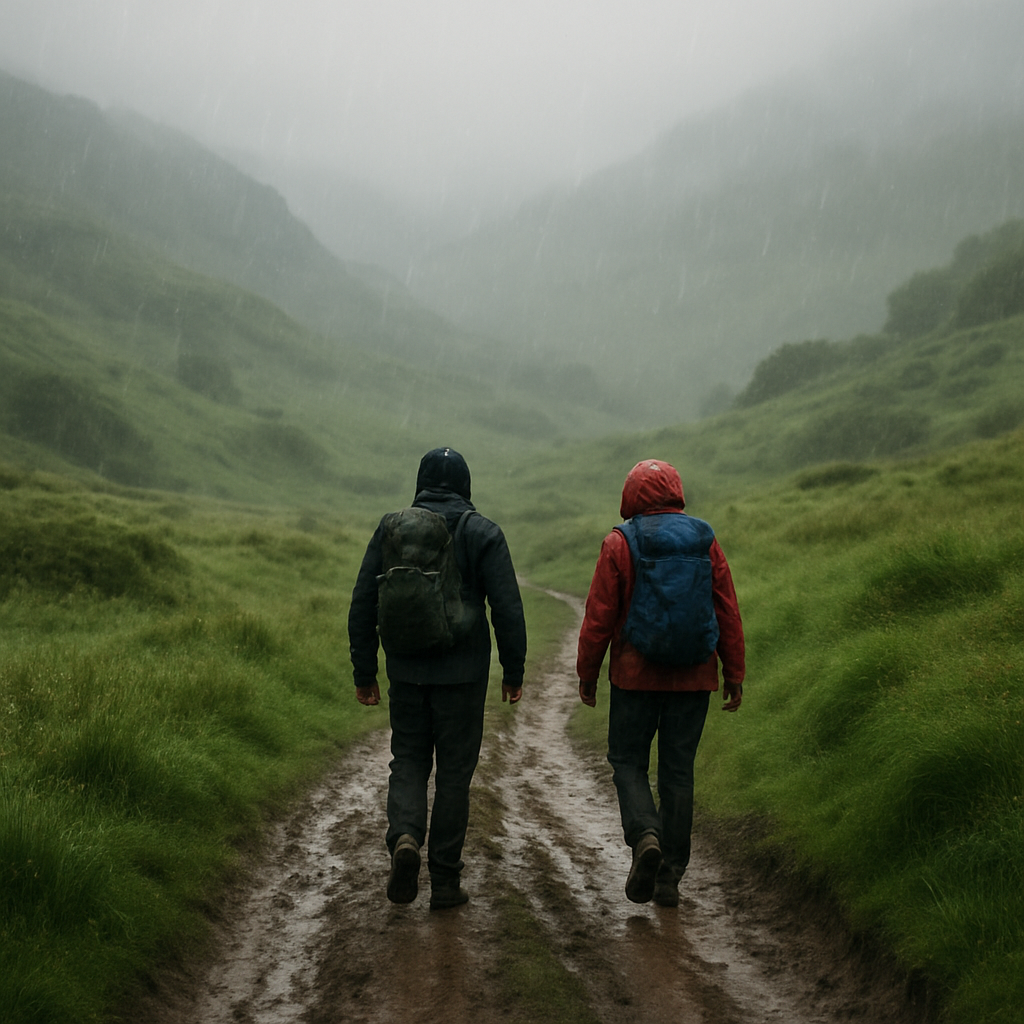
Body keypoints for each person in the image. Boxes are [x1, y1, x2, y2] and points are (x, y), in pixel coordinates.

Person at [348, 447, 527, 910]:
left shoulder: (392, 529)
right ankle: (445, 883)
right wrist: (513, 670)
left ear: (421, 483)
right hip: (463, 678)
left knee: (407, 760)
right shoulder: (483, 531)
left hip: (406, 671)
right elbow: (507, 607)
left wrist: (364, 671)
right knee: (452, 777)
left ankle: (405, 837)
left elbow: (364, 601)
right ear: (466, 484)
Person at [576, 459, 745, 908]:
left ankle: (645, 834)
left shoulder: (620, 541)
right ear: (676, 491)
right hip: (695, 676)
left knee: (627, 760)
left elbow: (599, 616)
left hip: (635, 676)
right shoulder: (704, 539)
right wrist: (735, 671)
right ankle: (670, 876)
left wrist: (587, 673)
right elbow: (726, 607)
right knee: (677, 772)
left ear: (631, 496)